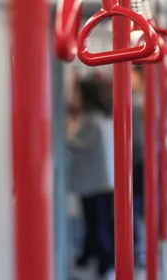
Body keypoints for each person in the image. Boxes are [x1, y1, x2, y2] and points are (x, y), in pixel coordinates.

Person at [67, 78, 115, 280]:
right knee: (96, 224)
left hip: (95, 183)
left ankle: (104, 264)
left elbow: (77, 145)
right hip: (99, 181)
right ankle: (89, 258)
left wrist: (62, 131)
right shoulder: (98, 117)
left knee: (97, 224)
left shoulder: (92, 120)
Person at [131, 65, 145, 262]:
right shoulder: (139, 102)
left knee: (136, 202)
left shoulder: (137, 104)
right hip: (140, 158)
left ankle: (138, 246)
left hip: (138, 160)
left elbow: (137, 139)